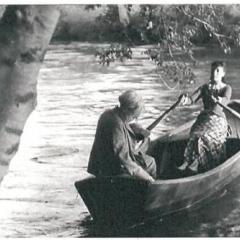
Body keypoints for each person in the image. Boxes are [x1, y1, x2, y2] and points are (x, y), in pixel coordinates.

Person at [87, 90, 157, 182]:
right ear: (126, 109)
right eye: (133, 116)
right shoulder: (116, 124)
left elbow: (125, 127)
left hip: (100, 166)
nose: (134, 119)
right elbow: (124, 159)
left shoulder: (109, 114)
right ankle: (152, 190)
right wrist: (148, 178)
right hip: (110, 171)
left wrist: (138, 129)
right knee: (151, 163)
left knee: (149, 160)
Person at [178, 61, 232, 175]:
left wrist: (220, 100)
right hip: (204, 119)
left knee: (203, 137)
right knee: (194, 134)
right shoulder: (205, 88)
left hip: (218, 120)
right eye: (213, 70)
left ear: (223, 73)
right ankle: (187, 161)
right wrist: (184, 99)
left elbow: (226, 99)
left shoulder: (226, 88)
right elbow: (191, 100)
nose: (214, 73)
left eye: (218, 70)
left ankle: (196, 163)